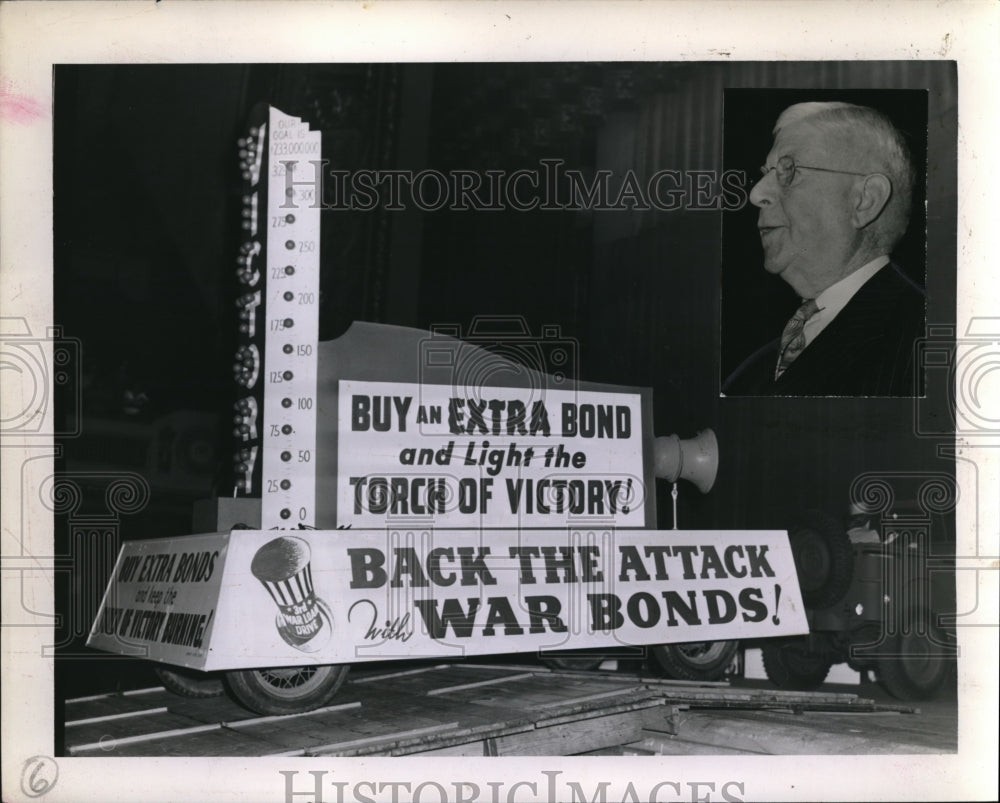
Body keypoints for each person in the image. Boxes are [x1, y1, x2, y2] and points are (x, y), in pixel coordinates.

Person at [722, 102, 925, 397]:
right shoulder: (752, 373)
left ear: (865, 200)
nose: (756, 193)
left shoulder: (928, 341)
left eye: (788, 170)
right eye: (766, 172)